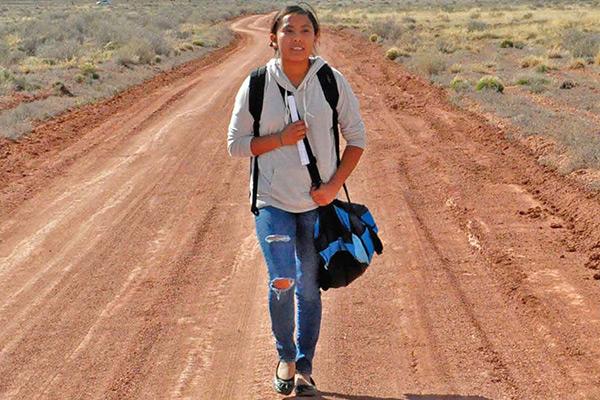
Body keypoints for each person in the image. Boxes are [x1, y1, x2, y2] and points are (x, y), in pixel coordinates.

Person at [227, 3, 366, 396]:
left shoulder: (331, 82)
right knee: (283, 280)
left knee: (308, 288)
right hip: (271, 202)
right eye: (289, 31)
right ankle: (285, 357)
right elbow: (235, 146)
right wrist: (280, 140)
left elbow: (357, 139)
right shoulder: (256, 85)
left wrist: (333, 187)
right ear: (274, 39)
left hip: (316, 204)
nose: (298, 38)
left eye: (306, 30)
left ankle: (304, 367)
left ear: (315, 38)